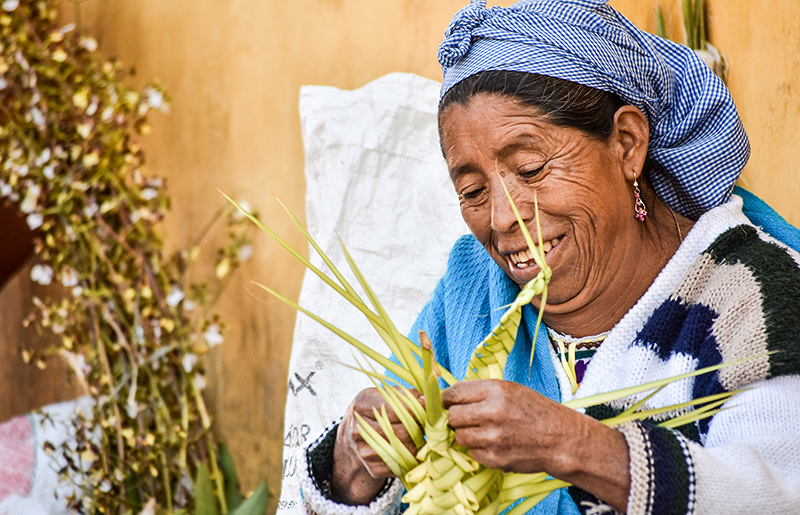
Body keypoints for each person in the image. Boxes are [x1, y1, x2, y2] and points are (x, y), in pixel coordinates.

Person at [296, 1, 800, 514]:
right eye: (472, 191)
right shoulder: (472, 288)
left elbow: (777, 497)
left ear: (626, 144)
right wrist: (349, 467)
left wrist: (573, 446)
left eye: (531, 169)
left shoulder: (754, 297)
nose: (500, 218)